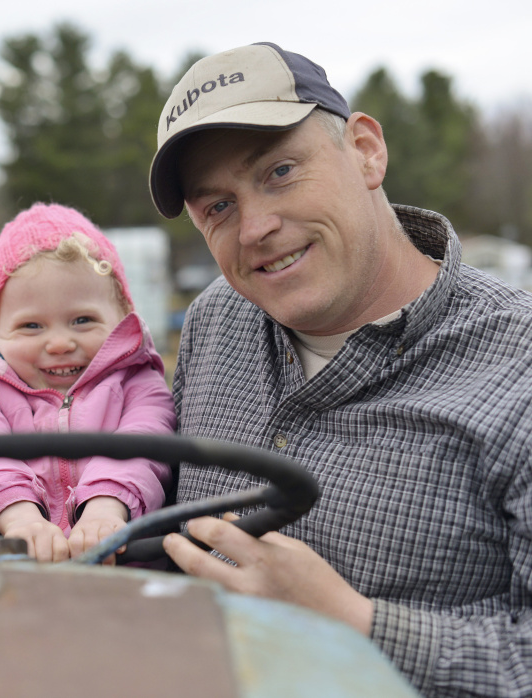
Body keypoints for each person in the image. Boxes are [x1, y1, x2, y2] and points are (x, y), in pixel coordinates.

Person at [149, 42, 532, 697]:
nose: (254, 229)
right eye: (217, 207)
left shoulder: (516, 368)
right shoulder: (216, 320)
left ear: (364, 151)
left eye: (278, 172)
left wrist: (355, 622)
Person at [0, 203, 175, 562]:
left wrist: (105, 509)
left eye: (82, 319)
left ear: (123, 317)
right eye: (31, 326)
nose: (60, 343)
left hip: (122, 565)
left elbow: (144, 443)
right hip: (4, 570)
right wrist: (19, 520)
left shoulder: (139, 382)